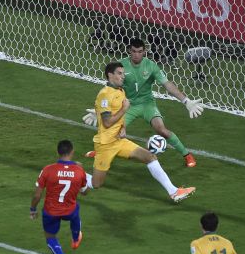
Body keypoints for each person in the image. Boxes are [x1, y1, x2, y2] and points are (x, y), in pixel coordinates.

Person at [83, 38, 204, 167]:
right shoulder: (121, 65)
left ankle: (187, 155)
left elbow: (167, 84)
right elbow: (111, 87)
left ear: (144, 51)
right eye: (134, 51)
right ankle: (100, 152)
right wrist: (100, 110)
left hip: (147, 104)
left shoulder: (151, 66)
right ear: (130, 50)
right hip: (128, 105)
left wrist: (186, 101)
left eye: (140, 51)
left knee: (161, 130)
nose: (136, 54)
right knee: (112, 130)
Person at [84, 62, 195, 202]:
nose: (123, 76)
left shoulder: (120, 91)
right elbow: (107, 123)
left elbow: (119, 115)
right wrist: (124, 109)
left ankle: (174, 192)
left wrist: (122, 127)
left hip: (119, 141)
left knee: (150, 157)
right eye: (119, 73)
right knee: (96, 184)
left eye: (123, 73)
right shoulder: (105, 95)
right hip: (105, 145)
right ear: (110, 75)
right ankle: (75, 173)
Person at [30, 140, 87, 254]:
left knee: (50, 236)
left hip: (51, 211)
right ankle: (75, 239)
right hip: (70, 210)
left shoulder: (47, 170)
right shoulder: (79, 170)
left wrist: (33, 209)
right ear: (72, 152)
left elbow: (37, 195)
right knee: (76, 210)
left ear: (57, 152)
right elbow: (84, 192)